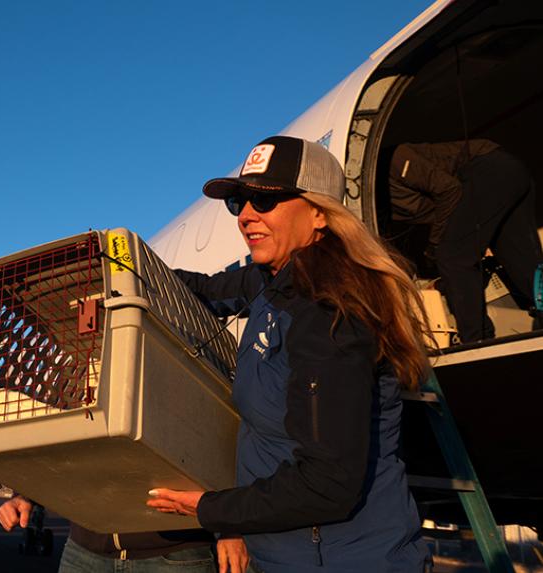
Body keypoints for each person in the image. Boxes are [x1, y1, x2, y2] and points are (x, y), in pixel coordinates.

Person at [147, 136, 431, 572]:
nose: (245, 215)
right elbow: (200, 291)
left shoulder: (330, 310)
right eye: (239, 202)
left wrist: (211, 509)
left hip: (342, 560)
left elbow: (326, 484)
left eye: (264, 200)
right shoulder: (272, 281)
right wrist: (120, 263)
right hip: (289, 553)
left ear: (320, 213)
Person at [387, 140, 542, 342]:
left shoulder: (394, 160)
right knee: (521, 260)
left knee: (452, 257)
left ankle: (478, 340)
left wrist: (435, 244)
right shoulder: (384, 204)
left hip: (489, 171)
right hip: (507, 175)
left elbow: (450, 190)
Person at [0, 495, 228, 573]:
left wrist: (232, 527)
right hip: (84, 554)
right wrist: (26, 493)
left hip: (174, 553)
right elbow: (51, 434)